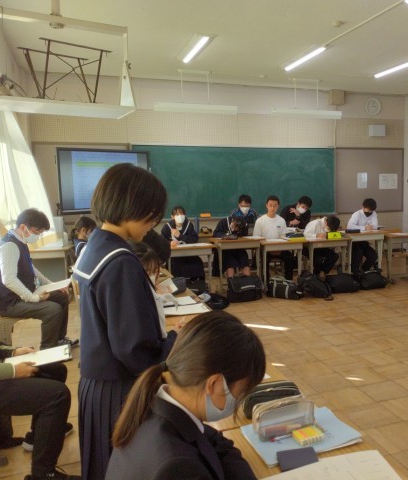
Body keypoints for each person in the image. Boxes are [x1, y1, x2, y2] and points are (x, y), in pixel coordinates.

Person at [73, 163, 177, 480]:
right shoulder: (120, 261)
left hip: (96, 383)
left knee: (104, 465)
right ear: (131, 207)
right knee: (123, 467)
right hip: (117, 389)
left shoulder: (96, 245)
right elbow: (134, 348)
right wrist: (175, 344)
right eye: (151, 215)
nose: (153, 224)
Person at [105, 311, 266, 480]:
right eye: (242, 392)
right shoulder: (179, 467)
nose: (240, 400)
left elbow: (214, 440)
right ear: (214, 384)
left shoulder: (152, 404)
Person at [0, 332, 78, 480]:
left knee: (56, 370)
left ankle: (39, 435)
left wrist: (13, 352)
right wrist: (12, 370)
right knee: (57, 395)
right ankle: (43, 474)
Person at [0, 208, 77, 350]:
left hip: (19, 296)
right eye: (37, 232)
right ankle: (48, 349)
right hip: (9, 303)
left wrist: (53, 285)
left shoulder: (20, 241)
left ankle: (59, 340)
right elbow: (9, 280)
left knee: (62, 296)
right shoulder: (9, 246)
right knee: (52, 309)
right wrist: (33, 298)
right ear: (23, 227)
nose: (37, 236)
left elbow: (32, 268)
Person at [253, 195, 296, 280]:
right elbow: (256, 238)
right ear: (266, 205)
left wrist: (279, 248)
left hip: (279, 249)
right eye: (270, 205)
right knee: (263, 259)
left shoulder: (281, 220)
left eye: (275, 205)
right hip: (264, 249)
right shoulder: (260, 221)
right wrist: (268, 248)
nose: (272, 208)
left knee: (290, 257)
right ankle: (265, 282)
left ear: (278, 206)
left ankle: (288, 281)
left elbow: (284, 237)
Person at [160, 205, 204, 279]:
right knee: (176, 265)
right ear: (172, 217)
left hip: (188, 254)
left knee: (197, 262)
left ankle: (196, 282)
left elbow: (194, 239)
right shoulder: (167, 227)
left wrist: (180, 236)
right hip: (174, 256)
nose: (180, 216)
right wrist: (170, 243)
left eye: (182, 214)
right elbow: (162, 241)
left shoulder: (189, 225)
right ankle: (179, 282)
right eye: (177, 214)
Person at [347, 198, 379, 274]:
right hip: (354, 243)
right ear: (363, 207)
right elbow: (349, 226)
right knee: (359, 253)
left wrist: (371, 227)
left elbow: (375, 226)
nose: (370, 212)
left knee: (373, 255)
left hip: (363, 242)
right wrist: (364, 227)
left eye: (371, 211)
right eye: (368, 211)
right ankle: (355, 272)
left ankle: (364, 270)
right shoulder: (357, 214)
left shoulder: (374, 213)